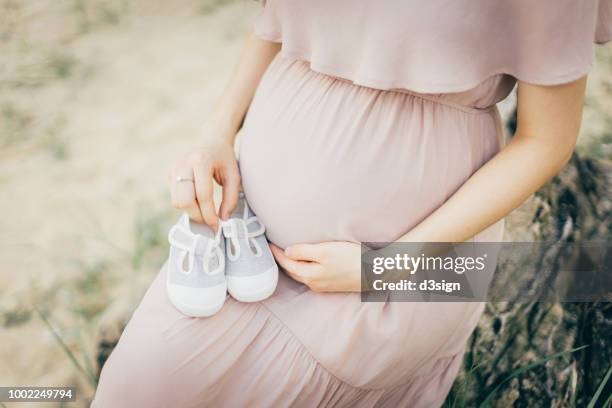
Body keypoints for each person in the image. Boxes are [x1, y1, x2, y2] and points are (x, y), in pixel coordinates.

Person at [93, 1, 612, 406]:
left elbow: (548, 139)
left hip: (395, 273)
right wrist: (217, 130)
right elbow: (277, 19)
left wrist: (387, 267)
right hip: (240, 238)